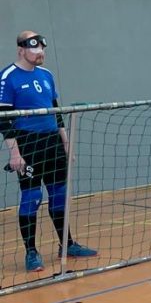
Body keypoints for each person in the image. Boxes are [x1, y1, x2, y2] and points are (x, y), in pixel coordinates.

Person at [1, 31, 96, 272]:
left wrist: (65, 142)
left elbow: (56, 110)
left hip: (52, 141)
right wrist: (14, 153)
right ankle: (31, 252)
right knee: (32, 198)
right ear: (21, 49)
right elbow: (3, 120)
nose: (40, 53)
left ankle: (67, 244)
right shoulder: (8, 77)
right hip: (28, 144)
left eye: (42, 49)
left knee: (59, 194)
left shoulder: (47, 75)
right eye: (34, 49)